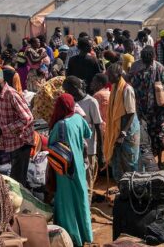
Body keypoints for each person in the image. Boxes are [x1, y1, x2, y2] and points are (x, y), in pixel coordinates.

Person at [48, 93, 93, 246]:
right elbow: (88, 133)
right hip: (79, 167)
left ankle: (72, 238)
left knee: (67, 203)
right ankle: (86, 233)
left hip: (65, 171)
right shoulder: (78, 119)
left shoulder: (60, 125)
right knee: (80, 200)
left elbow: (51, 145)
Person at [0, 66, 34, 188]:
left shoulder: (11, 94)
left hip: (21, 141)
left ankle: (21, 204)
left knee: (18, 179)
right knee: (16, 175)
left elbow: (27, 118)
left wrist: (4, 129)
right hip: (12, 142)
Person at [130, 46, 164, 168]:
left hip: (143, 110)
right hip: (157, 110)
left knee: (145, 136)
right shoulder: (159, 67)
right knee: (157, 136)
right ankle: (158, 163)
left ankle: (148, 164)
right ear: (154, 56)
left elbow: (130, 83)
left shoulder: (136, 68)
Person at [63, 76, 104, 191]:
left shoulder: (91, 102)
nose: (66, 92)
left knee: (88, 182)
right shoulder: (71, 102)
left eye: (67, 89)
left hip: (89, 150)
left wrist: (101, 152)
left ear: (75, 88)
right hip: (75, 150)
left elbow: (98, 126)